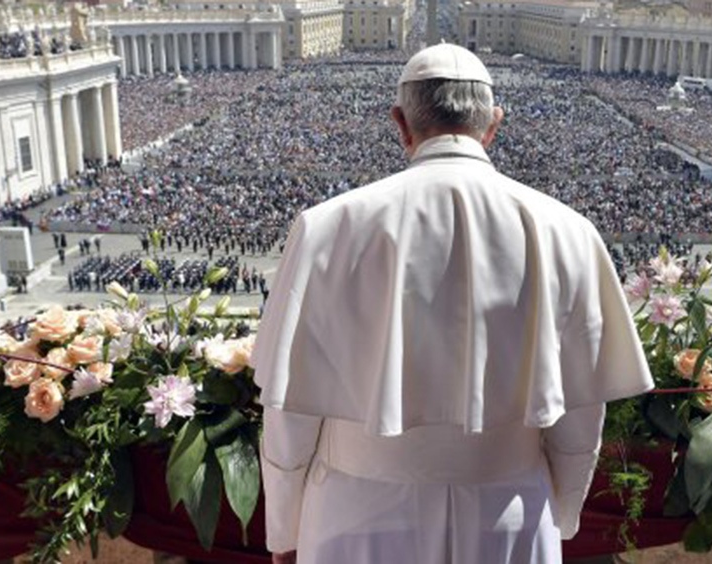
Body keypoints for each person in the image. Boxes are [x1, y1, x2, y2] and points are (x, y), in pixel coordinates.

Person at [251, 44, 654, 564]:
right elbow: (579, 419)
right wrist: (563, 512)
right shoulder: (569, 232)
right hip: (508, 512)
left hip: (357, 513)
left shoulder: (326, 227)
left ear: (400, 123)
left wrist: (284, 529)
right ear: (494, 125)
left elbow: (290, 415)